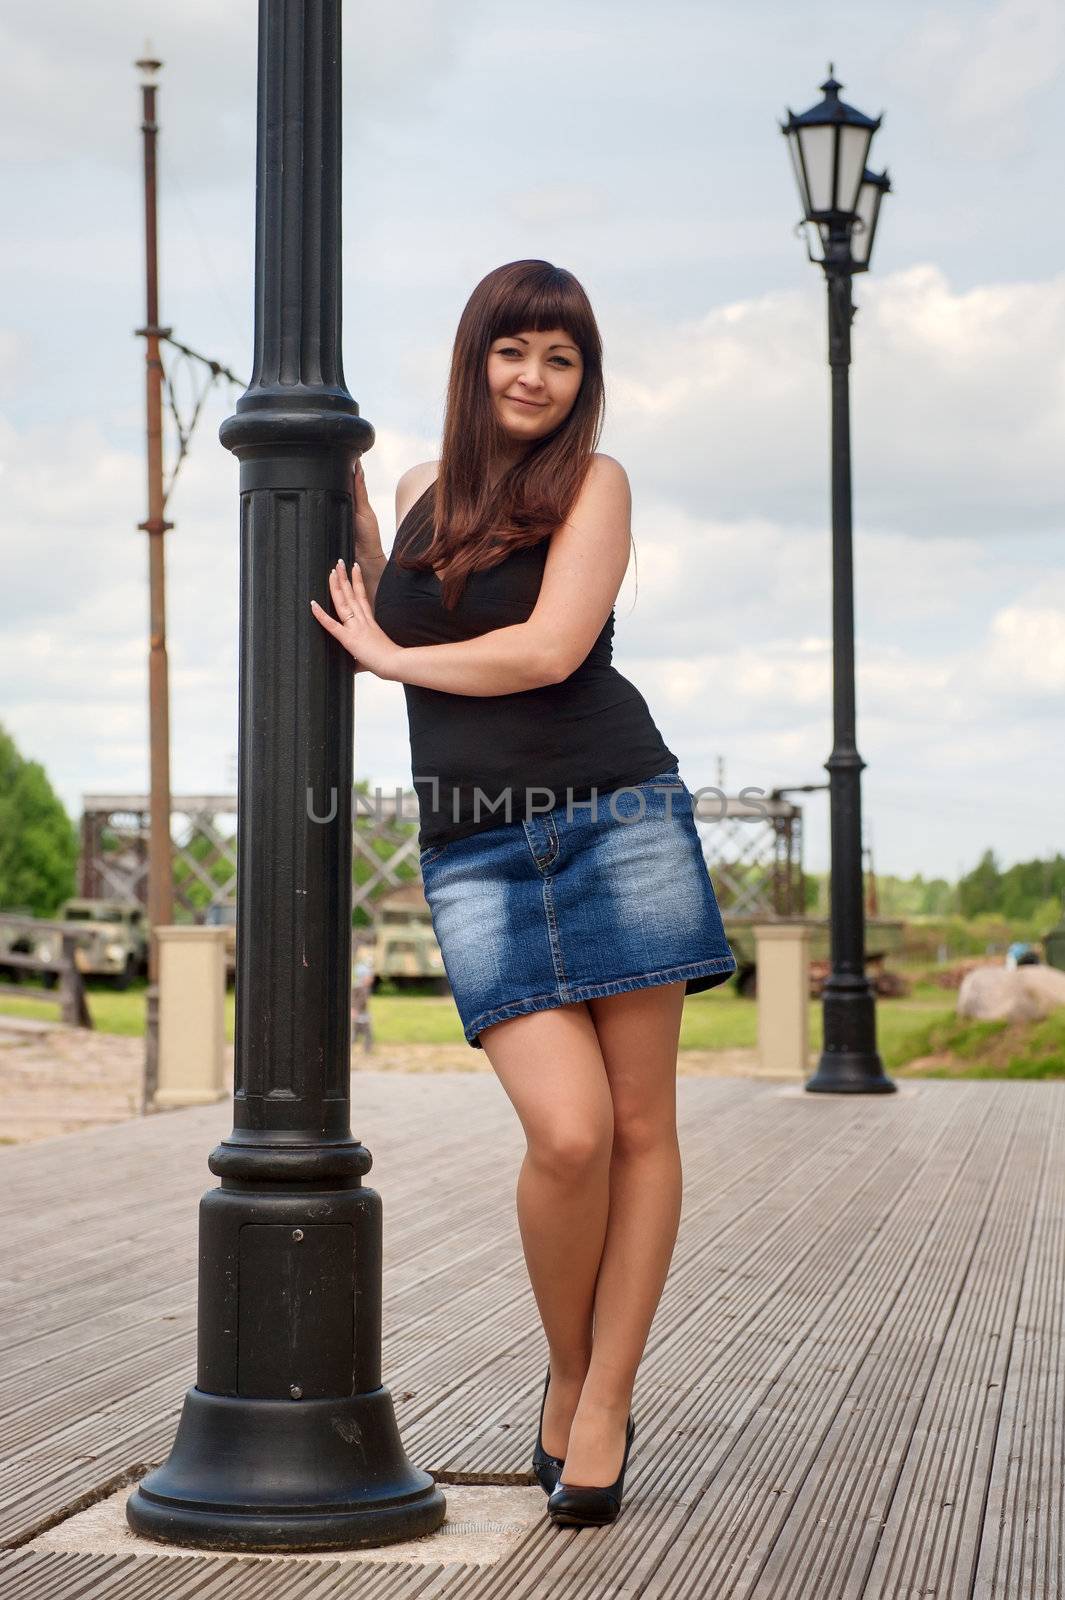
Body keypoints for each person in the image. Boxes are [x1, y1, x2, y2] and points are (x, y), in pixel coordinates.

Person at [310, 259, 736, 1528]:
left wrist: (390, 658)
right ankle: (565, 1367)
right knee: (567, 1133)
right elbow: (410, 605)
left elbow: (550, 648)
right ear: (475, 358)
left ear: (582, 378)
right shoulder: (418, 486)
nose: (535, 378)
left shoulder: (594, 488)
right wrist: (346, 504)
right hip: (477, 845)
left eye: (561, 359)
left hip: (616, 817)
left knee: (641, 1128)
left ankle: (601, 1399)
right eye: (514, 352)